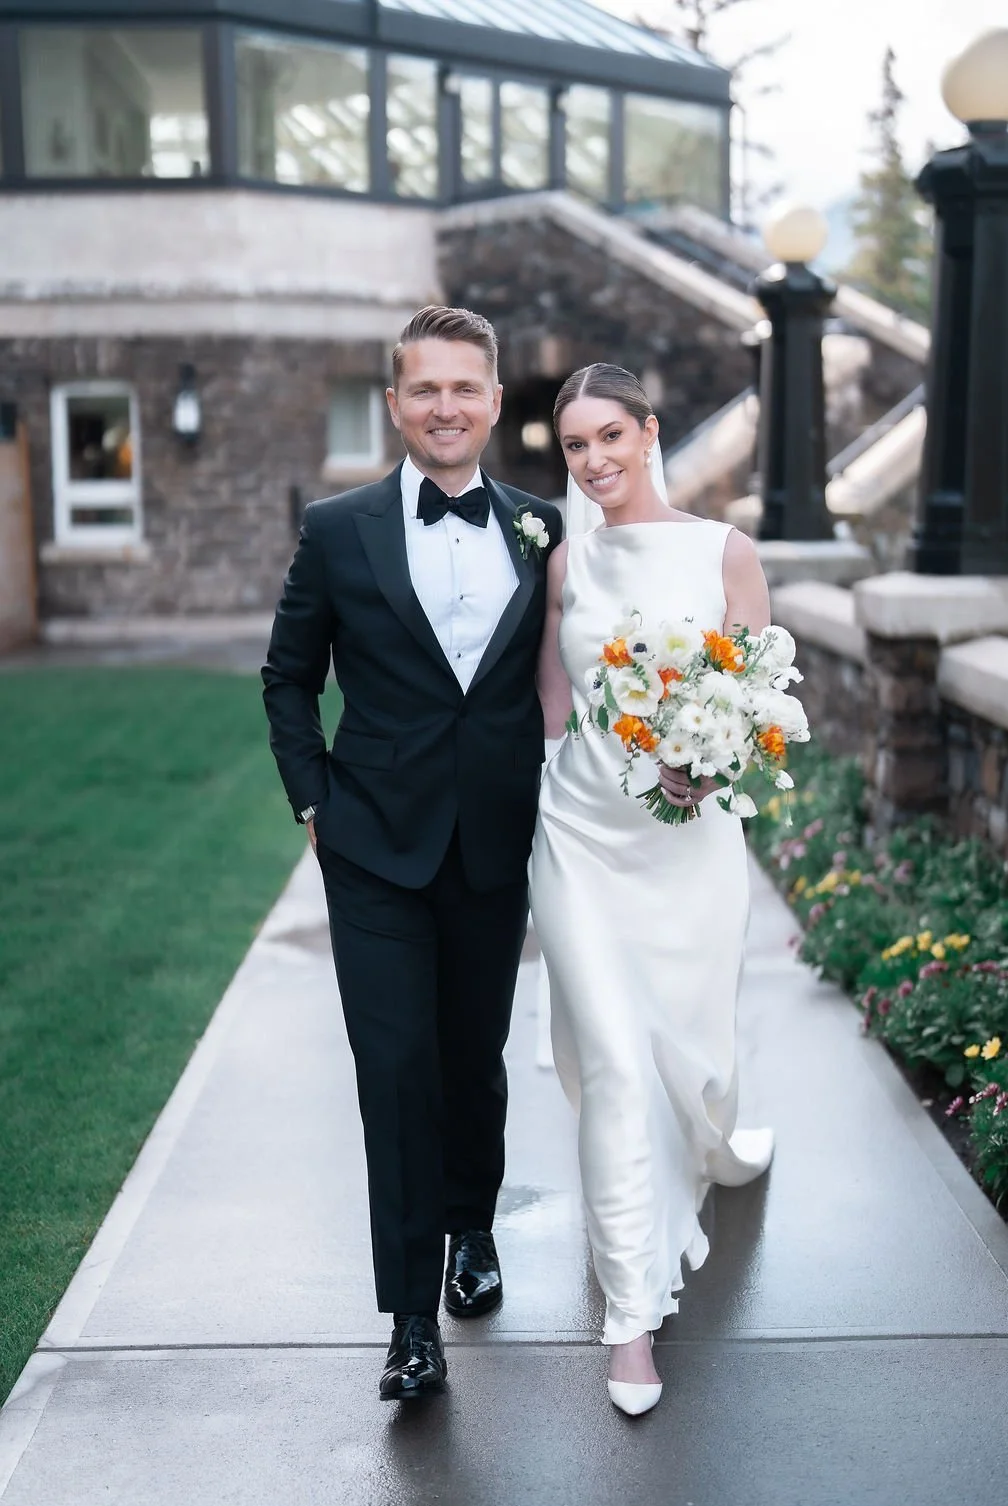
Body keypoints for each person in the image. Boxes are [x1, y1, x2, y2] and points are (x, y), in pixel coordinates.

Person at [262, 306, 562, 1401]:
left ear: (492, 402)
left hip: (491, 844)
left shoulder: (541, 526)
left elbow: (573, 677)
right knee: (393, 1075)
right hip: (373, 851)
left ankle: (472, 1228)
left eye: (464, 389)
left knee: (471, 1061)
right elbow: (287, 678)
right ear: (395, 404)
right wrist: (314, 806)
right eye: (423, 389)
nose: (444, 407)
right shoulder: (337, 530)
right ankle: (409, 1320)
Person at [529, 364, 775, 1417]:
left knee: (690, 1059)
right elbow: (553, 697)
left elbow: (758, 694)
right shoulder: (563, 562)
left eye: (609, 437)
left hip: (690, 847)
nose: (593, 462)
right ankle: (630, 1319)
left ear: (649, 431)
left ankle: (714, 1138)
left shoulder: (726, 551)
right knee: (618, 1065)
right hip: (578, 834)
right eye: (575, 447)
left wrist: (710, 757)